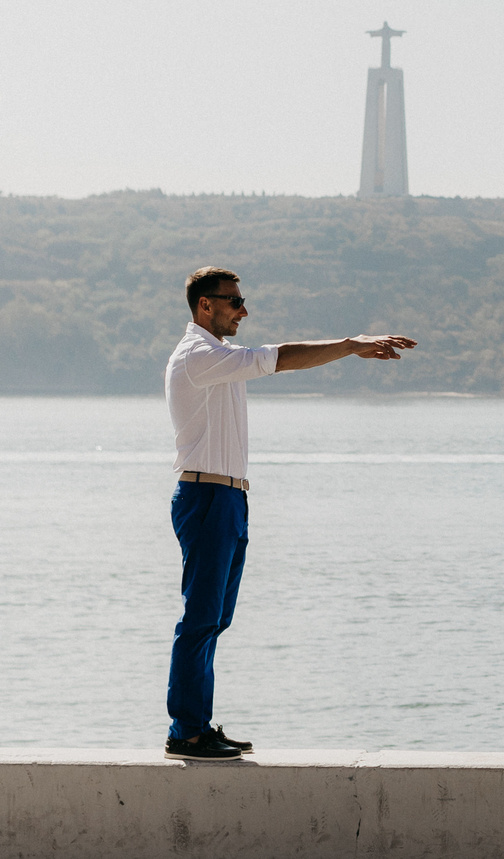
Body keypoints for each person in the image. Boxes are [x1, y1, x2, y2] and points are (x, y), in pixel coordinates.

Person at [164, 265, 415, 760]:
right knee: (200, 618)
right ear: (204, 305)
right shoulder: (197, 356)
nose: (244, 310)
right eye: (233, 301)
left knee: (216, 618)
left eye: (241, 300)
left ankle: (198, 723)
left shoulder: (221, 357)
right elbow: (281, 358)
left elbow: (272, 358)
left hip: (229, 498)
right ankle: (185, 731)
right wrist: (351, 344)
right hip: (207, 497)